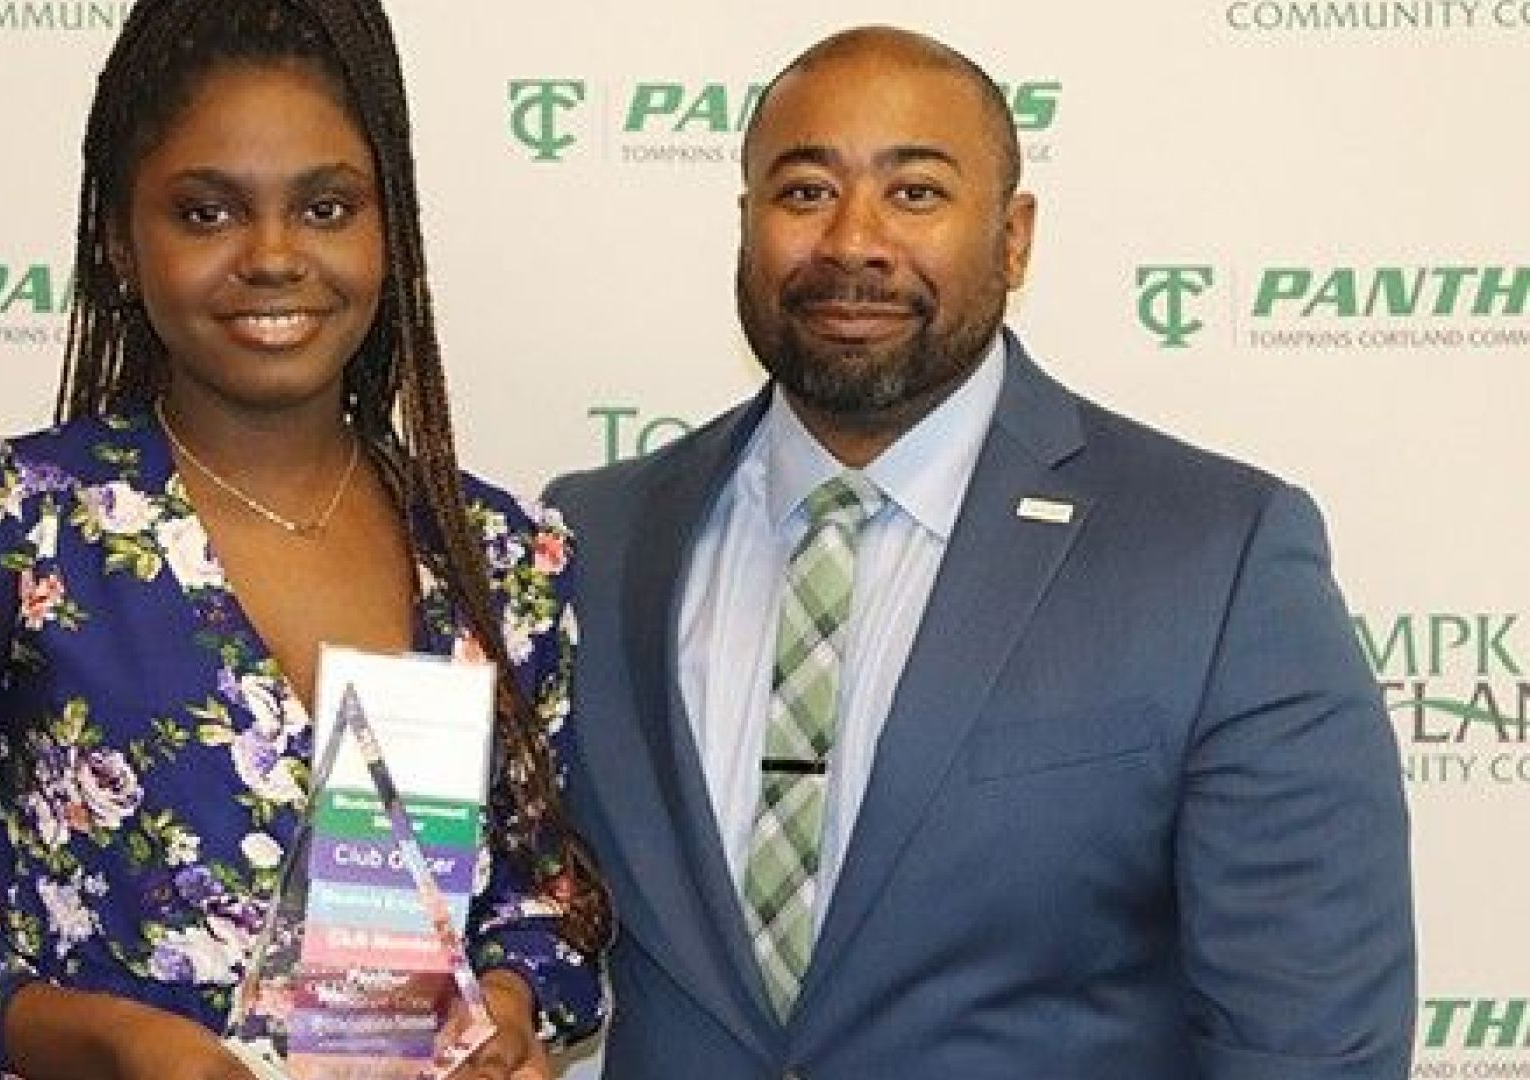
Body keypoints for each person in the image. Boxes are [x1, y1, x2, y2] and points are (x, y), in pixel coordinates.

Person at [546, 24, 1413, 1079]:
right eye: (805, 192)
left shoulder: (1219, 560)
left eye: (915, 193)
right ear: (745, 225)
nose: (853, 242)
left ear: (1014, 238)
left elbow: (1310, 1046)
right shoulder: (591, 539)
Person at [0, 3, 609, 1079]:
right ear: (121, 245)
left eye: (325, 207)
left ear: (389, 233)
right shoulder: (2, 525)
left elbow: (547, 911)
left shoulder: (495, 557)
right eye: (207, 212)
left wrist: (505, 1006)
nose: (273, 256)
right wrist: (115, 1044)